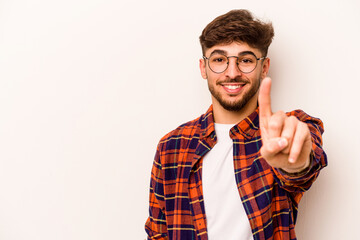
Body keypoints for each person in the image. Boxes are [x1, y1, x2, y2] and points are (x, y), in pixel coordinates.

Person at [145, 9, 327, 240]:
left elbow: (303, 168)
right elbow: (157, 233)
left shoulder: (289, 128)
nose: (232, 73)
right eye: (219, 59)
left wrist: (295, 163)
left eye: (246, 60)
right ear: (204, 68)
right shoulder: (171, 146)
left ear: (264, 66)